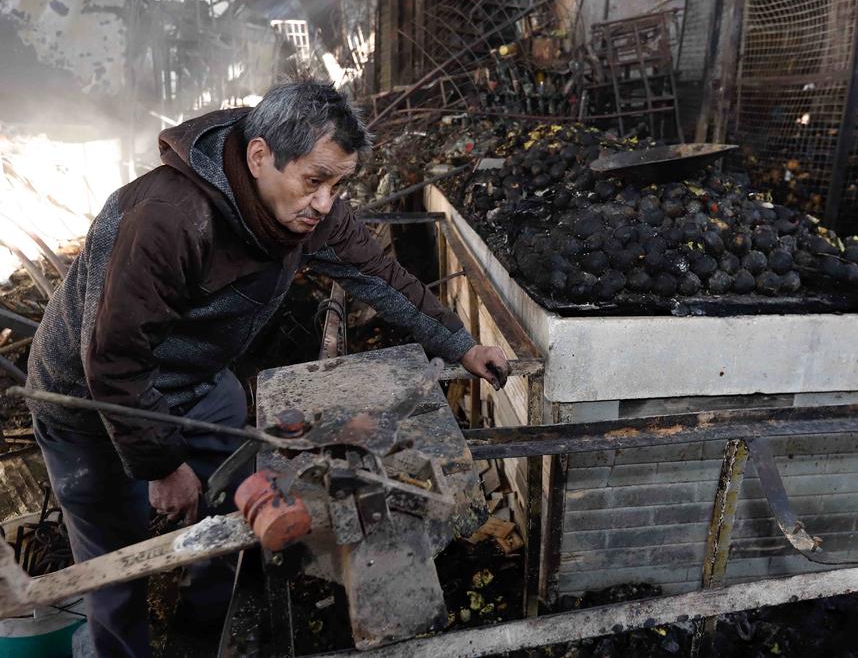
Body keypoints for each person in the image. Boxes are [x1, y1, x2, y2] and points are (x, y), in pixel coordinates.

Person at [25, 80, 508, 657]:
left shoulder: (307, 210)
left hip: (195, 382)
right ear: (260, 157)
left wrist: (460, 344)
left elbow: (377, 273)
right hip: (88, 400)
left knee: (234, 497)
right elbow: (114, 360)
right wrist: (163, 464)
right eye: (314, 181)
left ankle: (208, 628)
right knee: (116, 564)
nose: (324, 203)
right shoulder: (168, 219)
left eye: (337, 185)